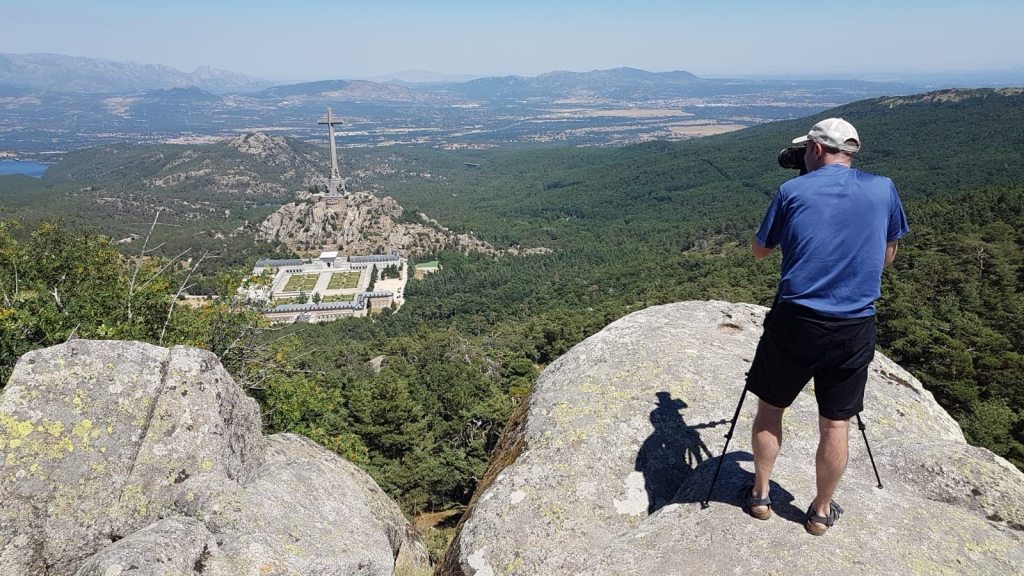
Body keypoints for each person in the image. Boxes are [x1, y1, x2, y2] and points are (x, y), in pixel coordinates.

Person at [741, 118, 909, 535]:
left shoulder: (792, 191)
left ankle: (760, 495)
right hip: (853, 323)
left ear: (815, 150)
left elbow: (760, 252)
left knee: (770, 408)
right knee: (836, 423)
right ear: (849, 151)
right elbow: (888, 257)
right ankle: (819, 511)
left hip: (796, 319)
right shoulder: (883, 187)